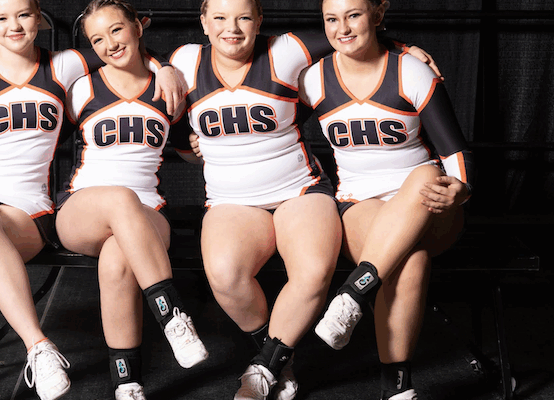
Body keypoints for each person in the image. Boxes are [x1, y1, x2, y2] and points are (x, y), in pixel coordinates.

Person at [0, 1, 183, 399]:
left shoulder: (64, 66)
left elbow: (123, 48)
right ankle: (38, 345)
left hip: (27, 210)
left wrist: (167, 67)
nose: (14, 26)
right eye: (1, 18)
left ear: (38, 18)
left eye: (23, 14)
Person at [176, 1, 441, 399]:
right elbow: (159, 112)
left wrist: (404, 48)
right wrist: (186, 140)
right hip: (231, 200)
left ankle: (263, 370)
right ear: (203, 22)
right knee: (227, 279)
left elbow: (349, 36)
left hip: (299, 189)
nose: (232, 28)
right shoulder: (183, 62)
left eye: (244, 17)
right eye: (220, 18)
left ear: (259, 21)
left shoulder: (285, 51)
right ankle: (278, 359)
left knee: (314, 270)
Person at [298, 1, 475, 399]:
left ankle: (351, 295)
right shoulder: (314, 80)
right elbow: (271, 127)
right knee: (410, 260)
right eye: (331, 19)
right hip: (360, 203)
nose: (342, 28)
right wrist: (198, 141)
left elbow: (454, 150)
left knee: (426, 174)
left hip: (430, 205)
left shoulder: (410, 70)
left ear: (378, 14)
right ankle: (397, 389)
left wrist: (461, 188)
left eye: (354, 15)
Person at [53, 1, 208, 399]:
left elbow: (188, 149)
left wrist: (198, 145)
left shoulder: (167, 87)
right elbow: (37, 136)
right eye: (97, 39)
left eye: (117, 30)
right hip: (82, 209)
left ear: (139, 27)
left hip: (147, 212)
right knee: (120, 197)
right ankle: (173, 317)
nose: (110, 44)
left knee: (117, 259)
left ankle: (127, 383)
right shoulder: (82, 89)